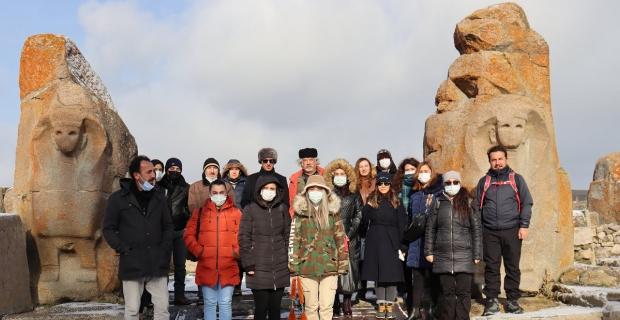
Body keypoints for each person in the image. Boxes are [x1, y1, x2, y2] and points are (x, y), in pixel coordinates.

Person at [102, 155, 173, 320]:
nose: (153, 175)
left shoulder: (159, 197)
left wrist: (164, 249)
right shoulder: (117, 199)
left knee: (162, 309)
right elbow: (108, 229)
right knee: (133, 310)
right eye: (149, 172)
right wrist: (125, 248)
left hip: (157, 262)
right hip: (132, 263)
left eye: (154, 171)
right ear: (136, 175)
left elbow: (168, 226)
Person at [476, 145, 533, 316]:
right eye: (494, 160)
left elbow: (526, 203)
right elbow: (476, 208)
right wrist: (479, 230)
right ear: (490, 161)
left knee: (512, 267)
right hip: (490, 231)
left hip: (512, 229)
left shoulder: (517, 180)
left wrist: (524, 225)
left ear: (506, 159)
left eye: (500, 159)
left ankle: (512, 300)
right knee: (491, 267)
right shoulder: (484, 182)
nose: (497, 163)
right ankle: (492, 300)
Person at [425, 171, 483, 320]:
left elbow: (476, 229)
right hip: (443, 255)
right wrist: (429, 251)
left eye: (455, 182)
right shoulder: (438, 202)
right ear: (444, 185)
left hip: (464, 255)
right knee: (448, 293)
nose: (452, 185)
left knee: (464, 293)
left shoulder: (469, 202)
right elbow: (431, 228)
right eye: (448, 182)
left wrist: (477, 254)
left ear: (459, 183)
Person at [290, 175, 349, 320]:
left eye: (318, 189)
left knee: (326, 307)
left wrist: (343, 265)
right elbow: (294, 242)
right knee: (310, 307)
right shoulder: (300, 215)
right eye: (312, 189)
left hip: (330, 267)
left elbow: (340, 240)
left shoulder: (333, 214)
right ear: (306, 192)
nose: (315, 192)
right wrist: (294, 267)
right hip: (307, 267)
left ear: (324, 192)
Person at [184, 180, 242, 320]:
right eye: (215, 193)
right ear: (209, 193)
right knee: (209, 303)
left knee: (225, 303)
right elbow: (188, 235)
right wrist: (200, 251)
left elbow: (244, 236)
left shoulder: (236, 213)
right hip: (206, 265)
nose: (218, 195)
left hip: (228, 265)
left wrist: (236, 252)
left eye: (221, 193)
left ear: (226, 193)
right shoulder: (199, 213)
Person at [239, 176, 291, 320]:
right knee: (261, 309)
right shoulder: (250, 209)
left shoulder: (282, 209)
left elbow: (288, 236)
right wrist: (248, 263)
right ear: (259, 190)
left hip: (279, 267)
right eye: (266, 188)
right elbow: (244, 238)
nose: (269, 191)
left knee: (275, 310)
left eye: (272, 189)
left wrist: (288, 259)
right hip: (258, 267)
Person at [361, 172, 407, 319]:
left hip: (392, 239)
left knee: (392, 275)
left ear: (390, 185)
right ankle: (380, 303)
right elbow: (365, 219)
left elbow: (402, 224)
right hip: (375, 239)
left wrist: (403, 246)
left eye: (386, 183)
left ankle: (390, 304)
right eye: (380, 183)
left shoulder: (397, 201)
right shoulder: (372, 199)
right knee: (378, 274)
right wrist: (367, 206)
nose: (383, 186)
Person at [323, 159, 363, 317]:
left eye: (342, 174)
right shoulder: (327, 193)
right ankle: (334, 302)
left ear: (348, 176)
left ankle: (347, 301)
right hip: (331, 236)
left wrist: (350, 233)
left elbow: (359, 214)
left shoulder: (354, 193)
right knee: (333, 269)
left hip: (350, 236)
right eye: (337, 174)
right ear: (332, 177)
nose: (340, 176)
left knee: (349, 269)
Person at [405, 162, 443, 320]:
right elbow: (410, 217)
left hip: (432, 239)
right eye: (421, 171)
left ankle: (433, 309)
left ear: (432, 173)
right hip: (416, 240)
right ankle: (415, 310)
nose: (423, 174)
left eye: (426, 171)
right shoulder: (414, 194)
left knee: (434, 277)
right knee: (417, 276)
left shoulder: (438, 193)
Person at [157, 157, 191, 305]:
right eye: (171, 168)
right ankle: (161, 295)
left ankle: (179, 294)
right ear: (166, 170)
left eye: (178, 169)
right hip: (162, 231)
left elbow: (189, 207)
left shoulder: (186, 187)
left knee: (180, 266)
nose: (174, 171)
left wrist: (187, 223)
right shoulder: (158, 186)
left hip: (179, 230)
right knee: (162, 264)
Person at [391, 158, 420, 307]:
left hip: (417, 226)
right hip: (402, 225)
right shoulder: (397, 186)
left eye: (412, 170)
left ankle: (415, 292)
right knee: (404, 257)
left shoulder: (419, 185)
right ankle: (405, 286)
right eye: (406, 170)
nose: (409, 173)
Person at [222, 159, 249, 295]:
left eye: (236, 169)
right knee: (228, 255)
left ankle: (238, 284)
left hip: (242, 221)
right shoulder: (222, 184)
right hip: (226, 223)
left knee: (240, 255)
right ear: (227, 171)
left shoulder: (246, 183)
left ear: (240, 170)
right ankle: (229, 284)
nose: (234, 171)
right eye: (231, 169)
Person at [354, 157, 376, 301]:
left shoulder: (376, 182)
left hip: (374, 224)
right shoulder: (355, 184)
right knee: (361, 259)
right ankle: (361, 290)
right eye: (360, 166)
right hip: (360, 226)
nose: (363, 168)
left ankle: (377, 288)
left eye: (366, 166)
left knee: (375, 258)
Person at [288, 148, 325, 217]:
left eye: (311, 160)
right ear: (301, 163)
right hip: (302, 217)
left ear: (315, 161)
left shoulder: (325, 175)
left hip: (322, 215)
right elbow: (291, 202)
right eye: (305, 160)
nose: (308, 163)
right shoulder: (294, 180)